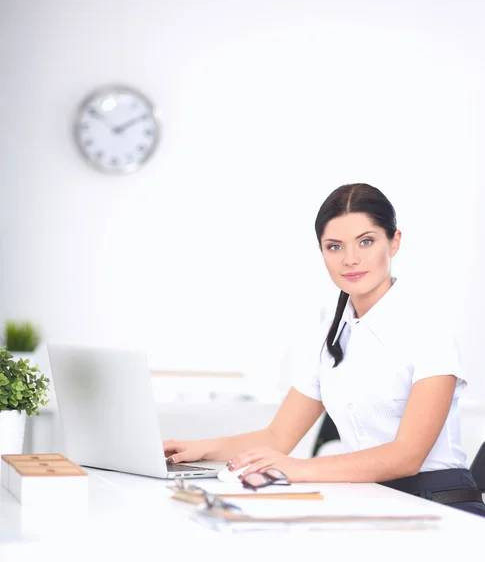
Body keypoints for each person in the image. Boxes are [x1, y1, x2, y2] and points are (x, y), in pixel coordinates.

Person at [164, 183, 485, 517]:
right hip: (372, 501)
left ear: (395, 242)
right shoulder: (328, 339)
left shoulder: (427, 331)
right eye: (335, 247)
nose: (350, 259)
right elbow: (277, 437)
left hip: (441, 505)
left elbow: (406, 456)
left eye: (366, 241)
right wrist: (195, 450)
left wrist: (297, 468)